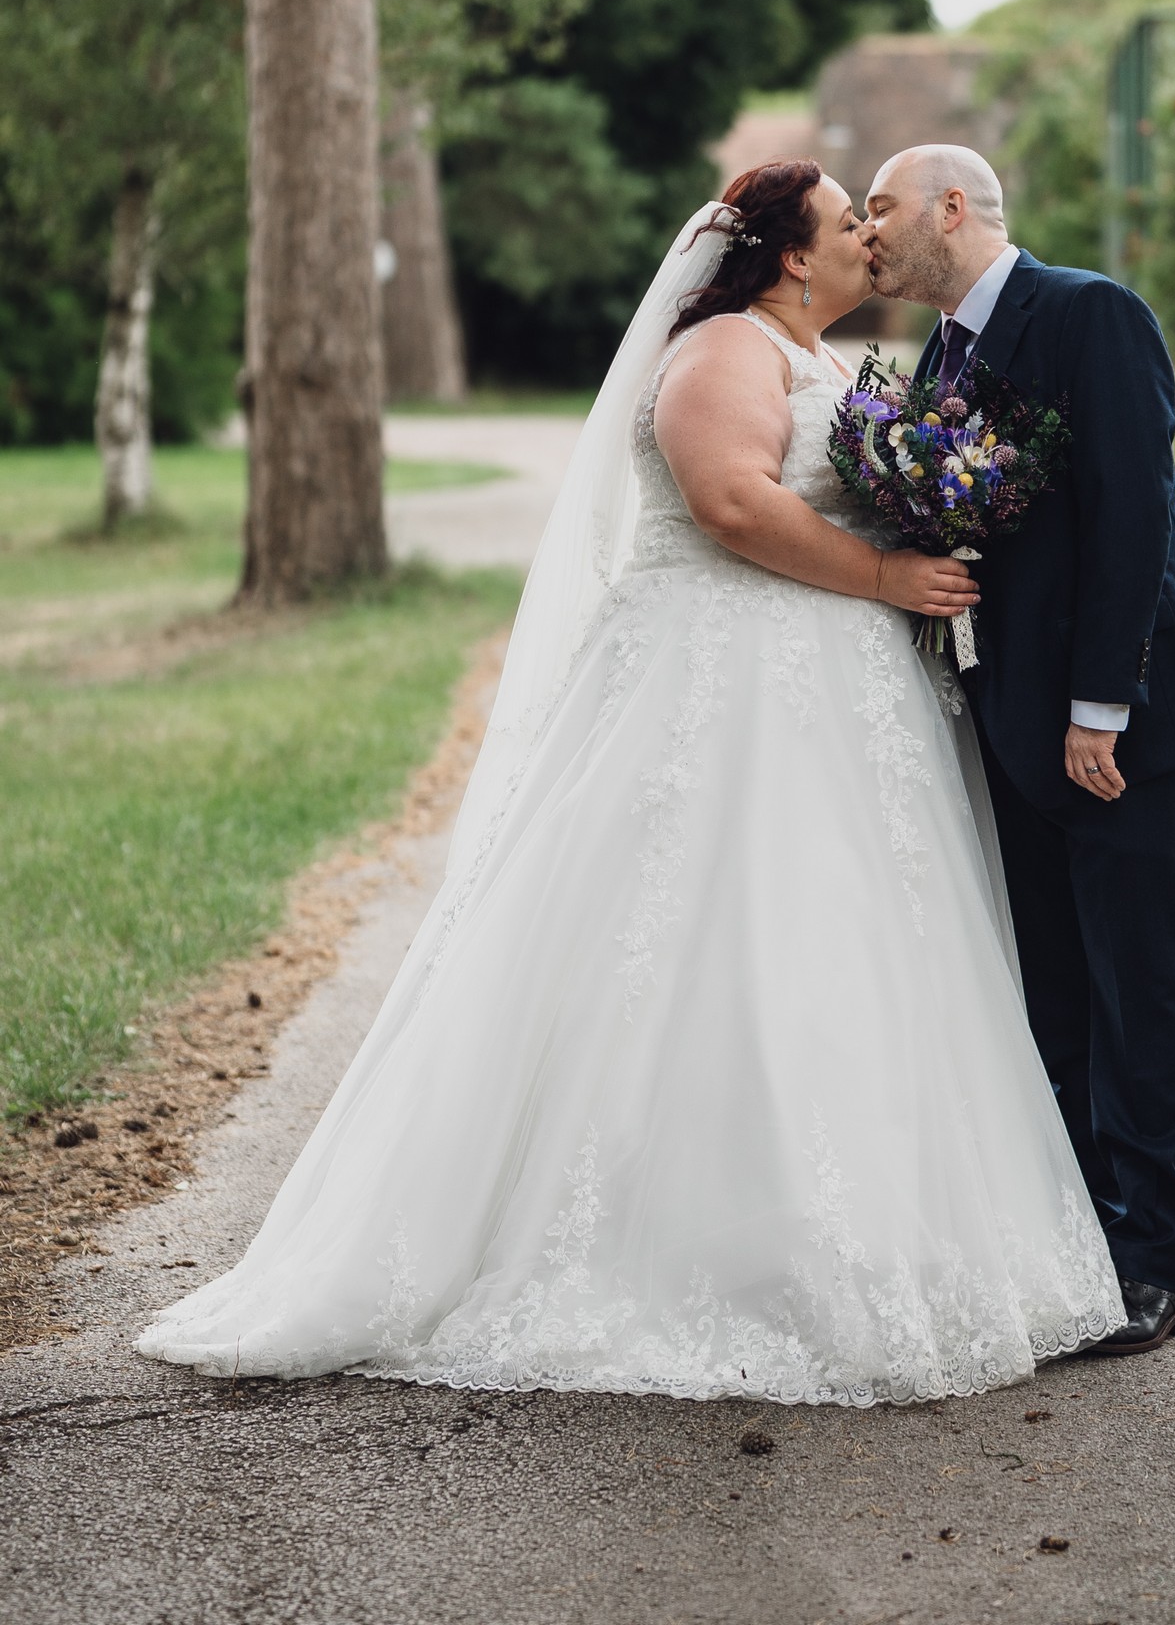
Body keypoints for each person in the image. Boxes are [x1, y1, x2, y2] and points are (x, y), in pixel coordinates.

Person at [137, 161, 1123, 1401]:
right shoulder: (722, 351)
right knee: (689, 944)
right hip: (719, 685)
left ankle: (833, 1227)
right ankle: (652, 1246)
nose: (867, 241)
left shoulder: (814, 362)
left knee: (834, 958)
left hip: (827, 692)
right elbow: (726, 503)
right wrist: (882, 580)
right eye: (843, 224)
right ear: (787, 258)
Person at [862, 145, 1175, 1354]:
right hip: (1014, 715)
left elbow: (1136, 517)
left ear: (950, 206)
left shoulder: (1090, 313)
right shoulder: (940, 356)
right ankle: (1081, 1238)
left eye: (879, 208)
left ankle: (1153, 1267)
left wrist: (1104, 707)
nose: (867, 231)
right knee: (1055, 989)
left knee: (1138, 984)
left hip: (1115, 720)